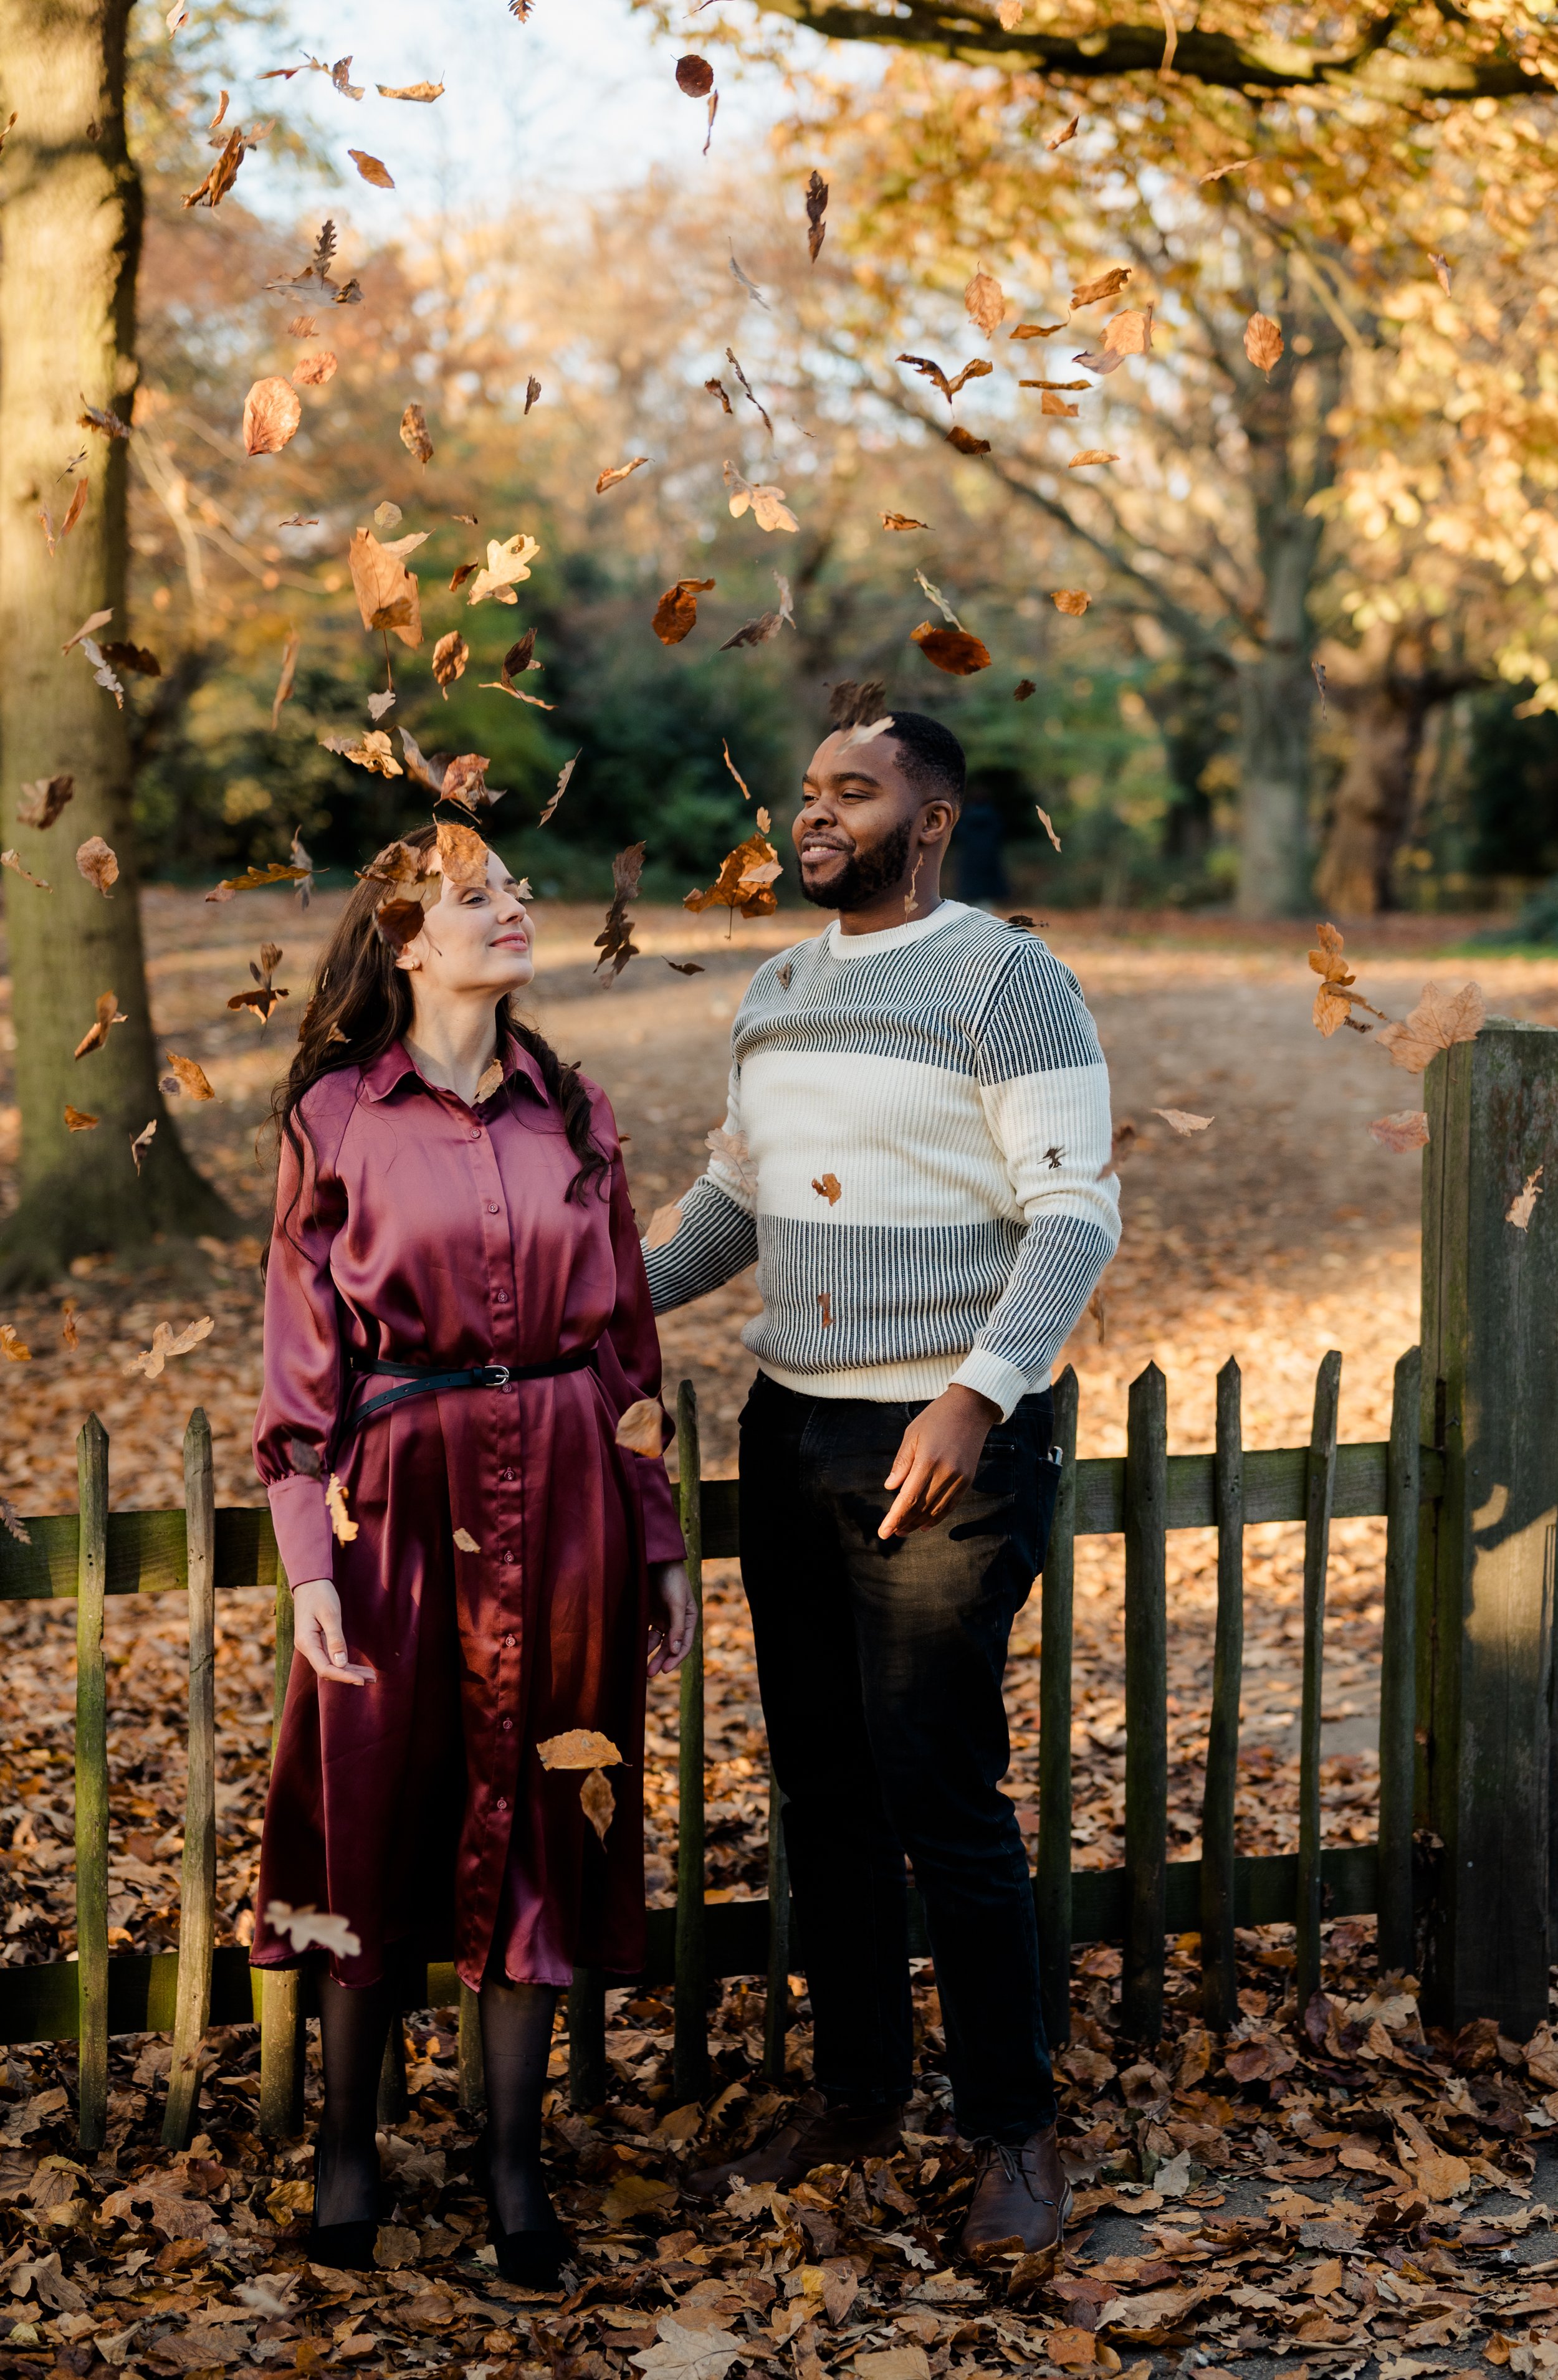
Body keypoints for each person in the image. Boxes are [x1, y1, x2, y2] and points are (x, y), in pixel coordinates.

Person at [643, 712, 1119, 2255]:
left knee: (939, 1788)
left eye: (853, 790)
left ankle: (1011, 2129)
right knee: (823, 1789)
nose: (814, 813)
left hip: (946, 1442)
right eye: (805, 791)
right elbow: (736, 1193)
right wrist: (600, 1300)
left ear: (932, 818)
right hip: (794, 1432)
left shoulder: (1006, 975)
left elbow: (1072, 1213)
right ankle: (856, 2091)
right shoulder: (776, 990)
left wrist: (979, 1392)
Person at [251, 822, 695, 2285]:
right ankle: (348, 2151)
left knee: (541, 1813)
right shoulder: (334, 1113)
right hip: (395, 1495)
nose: (509, 907)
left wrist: (656, 1540)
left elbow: (627, 1349)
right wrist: (311, 1562)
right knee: (371, 1808)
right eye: (471, 895)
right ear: (403, 937)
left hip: (566, 1490)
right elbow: (298, 1371)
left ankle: (515, 2173)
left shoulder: (574, 1106)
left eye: (513, 887)